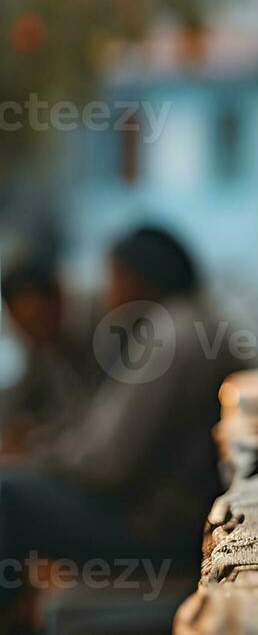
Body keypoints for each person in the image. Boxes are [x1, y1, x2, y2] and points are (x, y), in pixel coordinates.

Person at [0, 226, 241, 618]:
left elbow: (107, 463)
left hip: (159, 528)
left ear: (141, 278)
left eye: (113, 275)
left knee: (7, 494)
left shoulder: (172, 334)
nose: (107, 291)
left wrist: (32, 454)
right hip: (175, 513)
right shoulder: (184, 320)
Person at [0, 260, 93, 455]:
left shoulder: (95, 334)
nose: (34, 331)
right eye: (24, 325)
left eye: (39, 319)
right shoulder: (40, 344)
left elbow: (94, 414)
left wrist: (40, 435)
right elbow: (23, 397)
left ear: (59, 299)